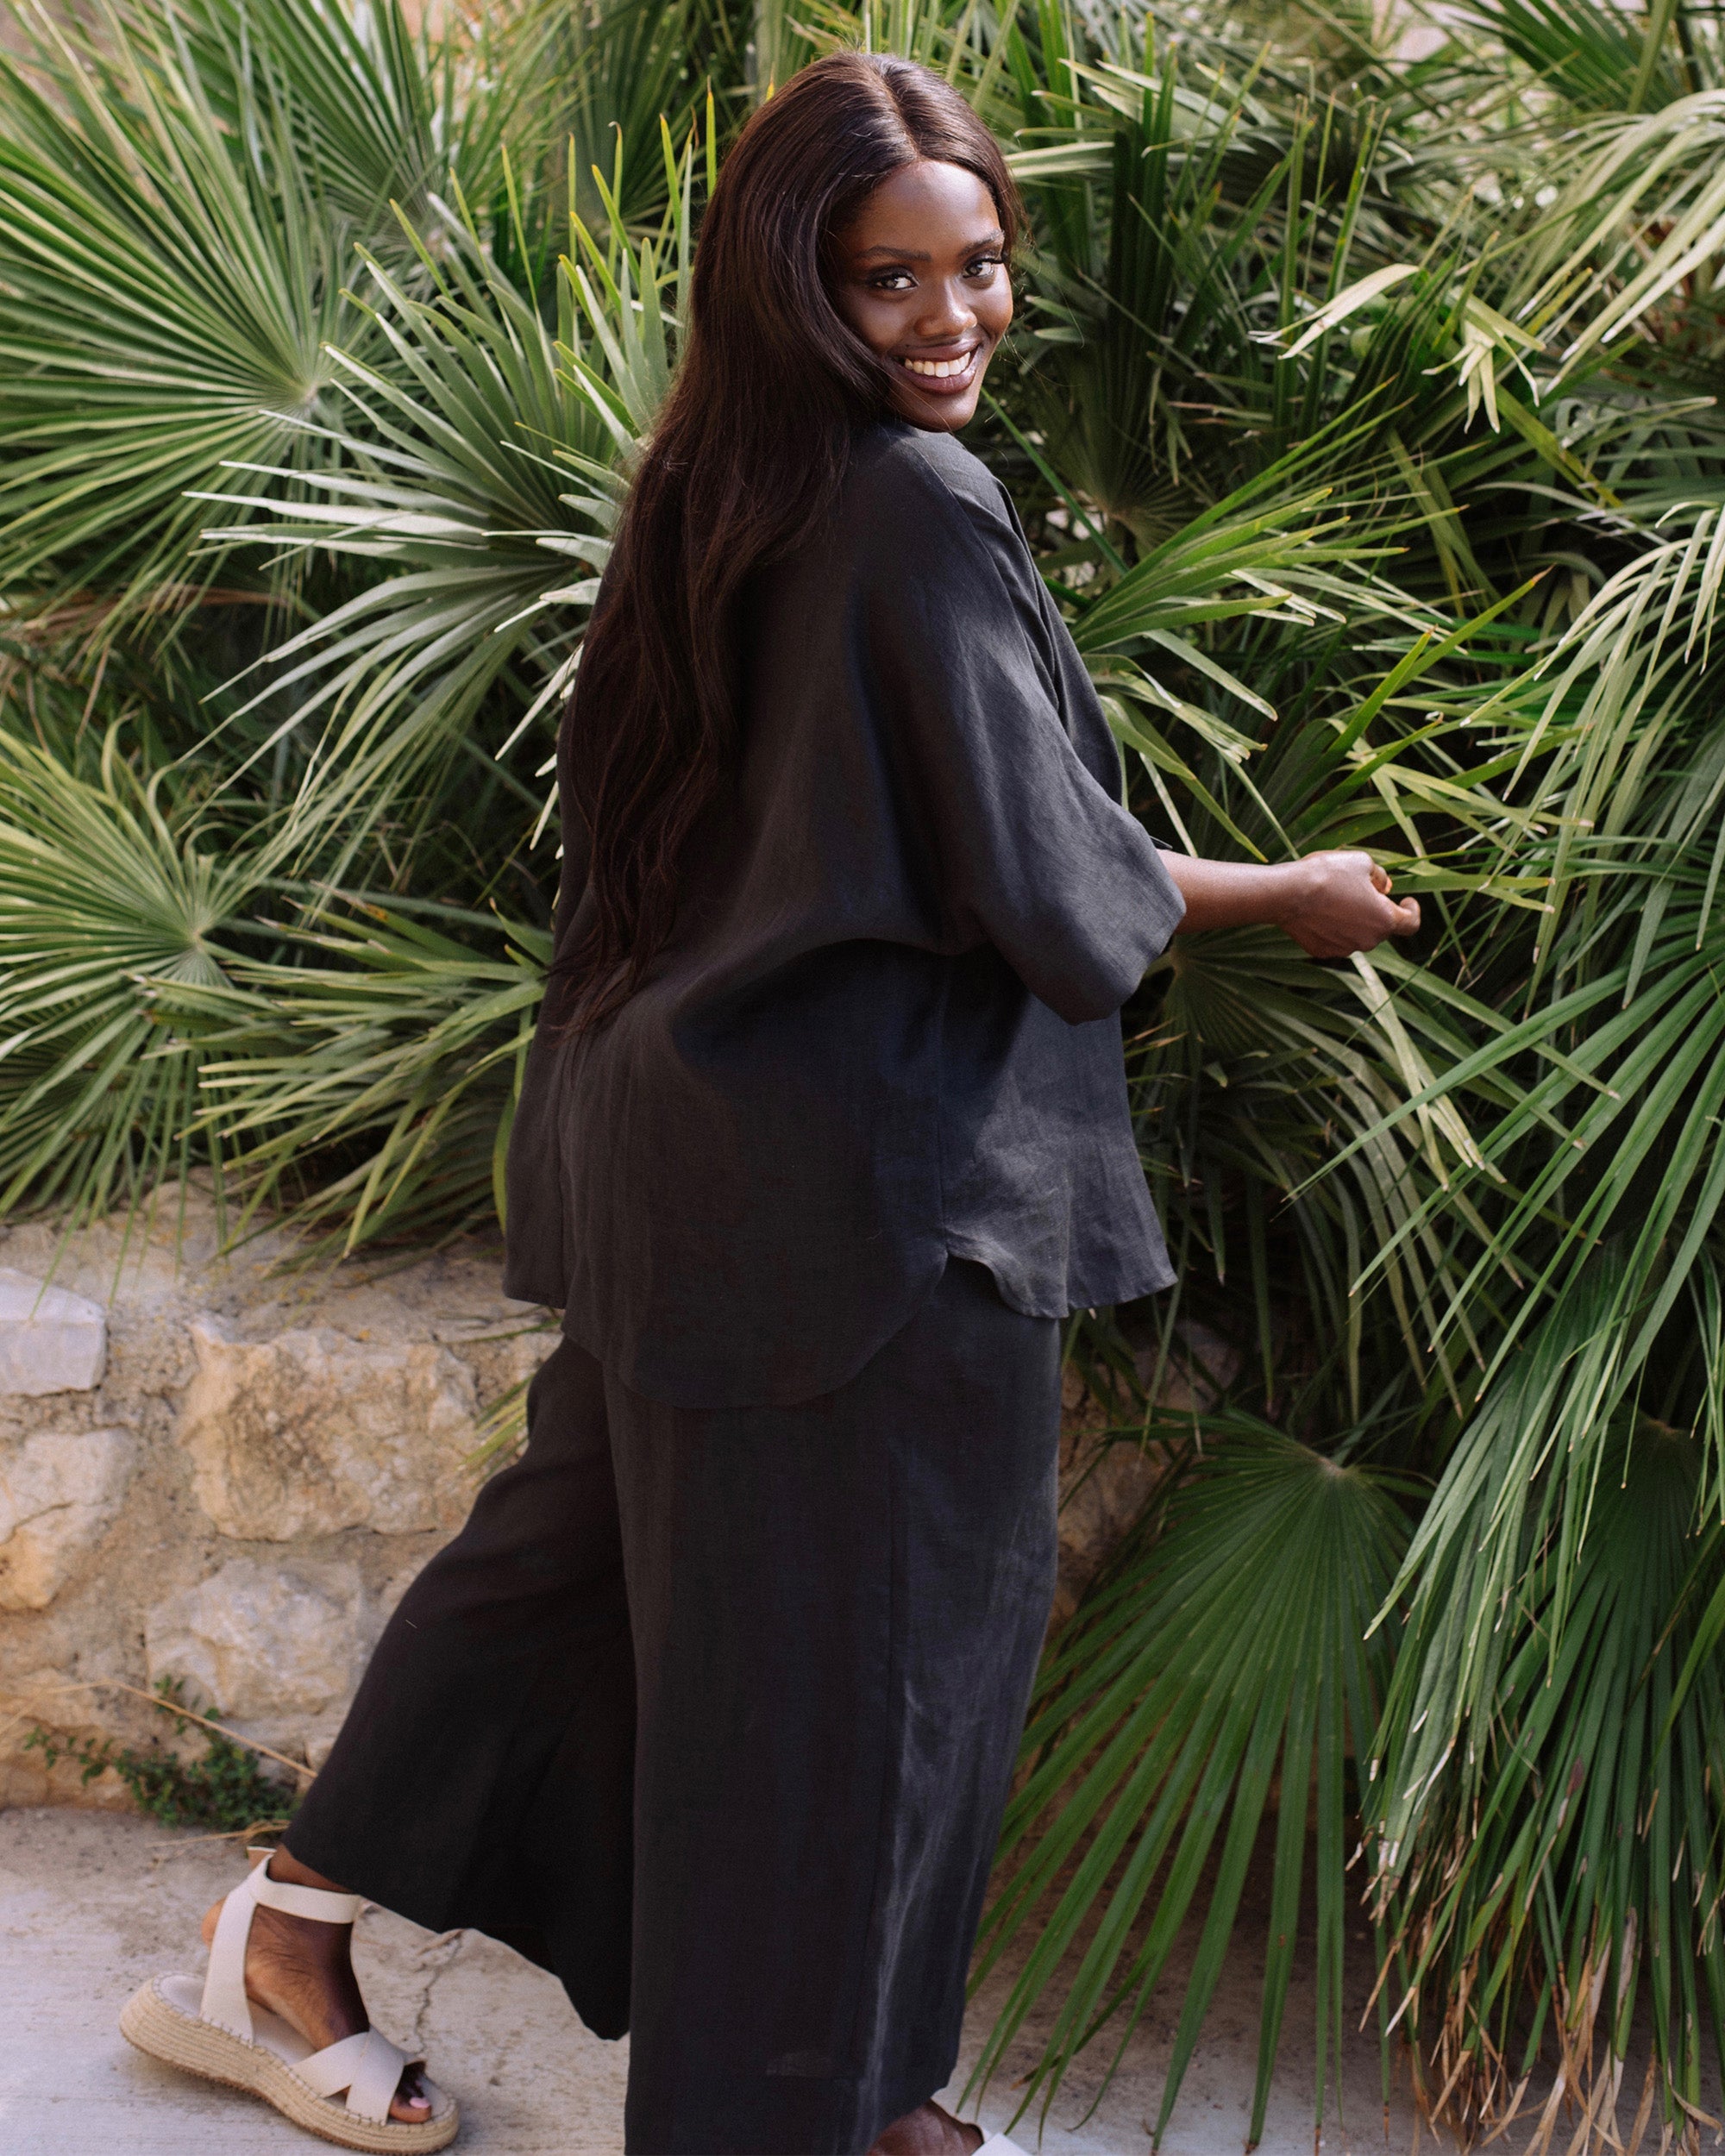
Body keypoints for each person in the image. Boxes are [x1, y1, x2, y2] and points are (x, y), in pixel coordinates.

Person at [119, 49, 1420, 2156]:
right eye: (887, 276)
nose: (951, 318)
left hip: (675, 1160)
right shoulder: (908, 504)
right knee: (857, 1713)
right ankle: (804, 2115)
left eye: (980, 264)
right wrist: (1289, 891)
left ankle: (281, 1934)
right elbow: (1049, 879)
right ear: (790, 282)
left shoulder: (715, 475)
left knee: (564, 1587)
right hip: (856, 1206)